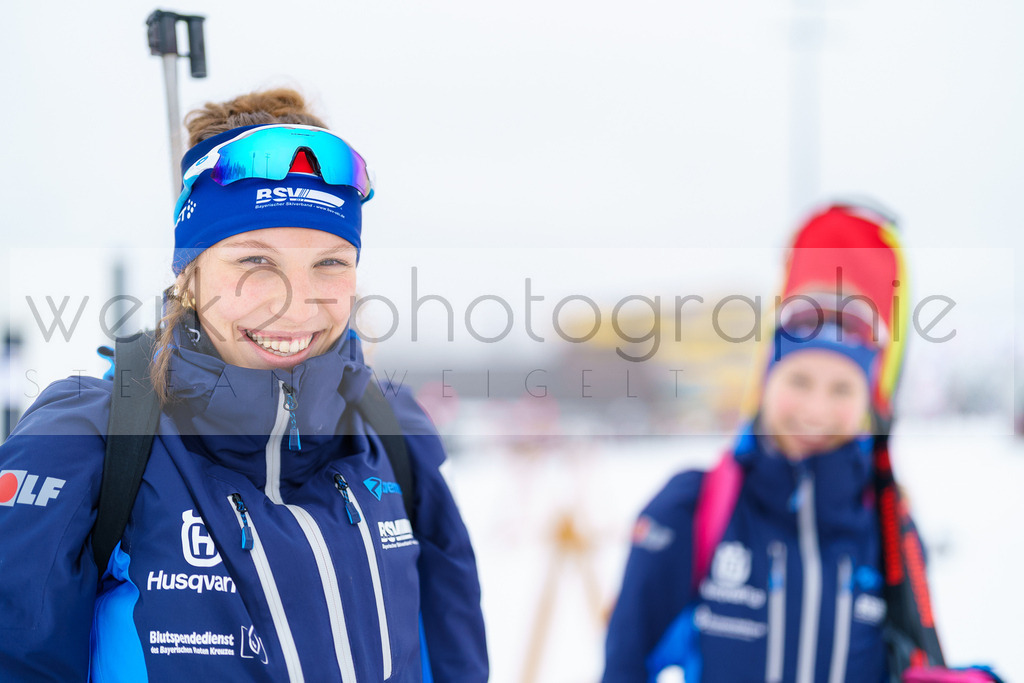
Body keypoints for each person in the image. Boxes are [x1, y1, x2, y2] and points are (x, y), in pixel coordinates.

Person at [0, 88, 488, 682]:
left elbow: (456, 659)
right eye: (255, 262)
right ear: (189, 275)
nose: (294, 302)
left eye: (330, 262)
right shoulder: (89, 438)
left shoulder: (397, 435)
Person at [602, 203, 981, 682]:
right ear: (766, 381)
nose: (816, 410)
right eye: (799, 381)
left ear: (868, 401)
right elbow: (625, 667)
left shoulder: (886, 527)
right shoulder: (693, 508)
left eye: (841, 389)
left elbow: (912, 662)